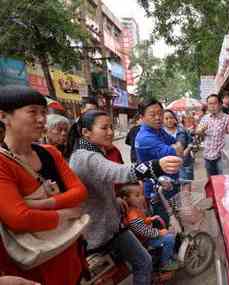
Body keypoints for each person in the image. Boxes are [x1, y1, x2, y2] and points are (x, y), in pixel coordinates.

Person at [68, 110, 182, 285]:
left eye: (111, 127)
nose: (110, 132)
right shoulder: (86, 157)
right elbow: (118, 172)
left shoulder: (95, 151)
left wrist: (114, 199)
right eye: (104, 128)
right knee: (120, 271)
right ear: (86, 132)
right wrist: (156, 165)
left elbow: (100, 185)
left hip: (112, 226)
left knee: (142, 261)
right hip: (97, 233)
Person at [0, 85, 87, 285]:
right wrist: (66, 213)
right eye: (32, 112)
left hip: (69, 249)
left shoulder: (50, 152)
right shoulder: (3, 162)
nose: (41, 119)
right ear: (4, 116)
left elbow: (80, 192)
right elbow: (20, 218)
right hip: (36, 264)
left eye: (43, 113)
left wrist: (41, 205)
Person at [134, 98, 184, 225]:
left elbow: (176, 145)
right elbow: (176, 151)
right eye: (152, 114)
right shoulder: (145, 137)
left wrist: (177, 146)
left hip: (170, 183)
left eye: (160, 113)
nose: (158, 118)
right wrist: (177, 147)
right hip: (158, 190)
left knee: (177, 218)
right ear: (142, 117)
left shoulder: (158, 130)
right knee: (165, 224)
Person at [119, 183, 178, 271]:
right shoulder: (132, 216)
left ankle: (168, 254)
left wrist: (150, 219)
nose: (142, 197)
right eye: (137, 195)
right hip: (146, 241)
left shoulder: (134, 209)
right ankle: (165, 263)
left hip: (148, 236)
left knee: (168, 232)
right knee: (169, 239)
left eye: (142, 194)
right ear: (126, 199)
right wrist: (159, 232)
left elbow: (142, 221)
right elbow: (143, 231)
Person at [196, 94, 229, 176]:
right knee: (212, 182)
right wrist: (200, 131)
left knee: (222, 182)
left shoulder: (227, 119)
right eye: (210, 104)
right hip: (207, 156)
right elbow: (198, 132)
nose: (212, 106)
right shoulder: (205, 118)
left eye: (215, 103)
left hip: (221, 157)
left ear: (220, 104)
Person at [163, 109, 195, 190]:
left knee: (186, 189)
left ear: (175, 119)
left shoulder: (182, 130)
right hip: (170, 165)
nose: (169, 120)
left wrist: (187, 150)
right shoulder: (160, 133)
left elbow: (191, 142)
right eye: (166, 119)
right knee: (173, 190)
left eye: (171, 118)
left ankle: (187, 203)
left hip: (185, 163)